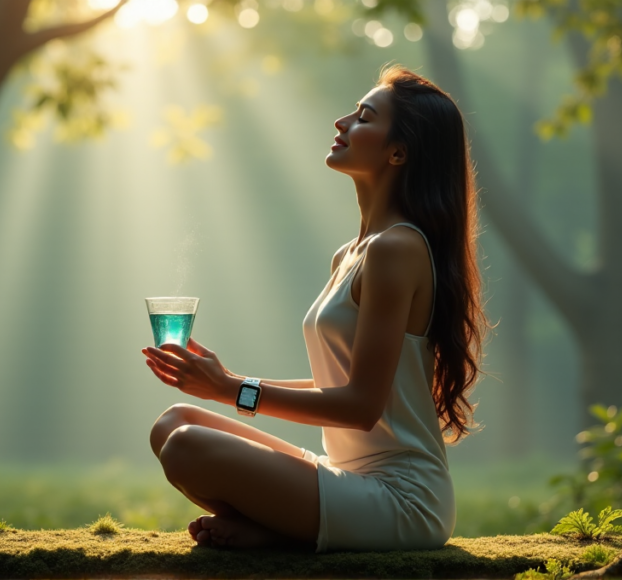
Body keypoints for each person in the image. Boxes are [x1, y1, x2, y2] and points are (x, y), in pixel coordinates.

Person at [141, 64, 489, 552]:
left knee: (186, 448)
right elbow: (338, 385)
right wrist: (225, 385)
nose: (341, 123)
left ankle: (280, 532)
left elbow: (361, 406)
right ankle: (280, 528)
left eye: (364, 117)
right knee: (174, 423)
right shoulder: (351, 254)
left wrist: (234, 389)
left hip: (401, 498)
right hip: (342, 475)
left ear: (398, 151)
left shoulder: (398, 249)